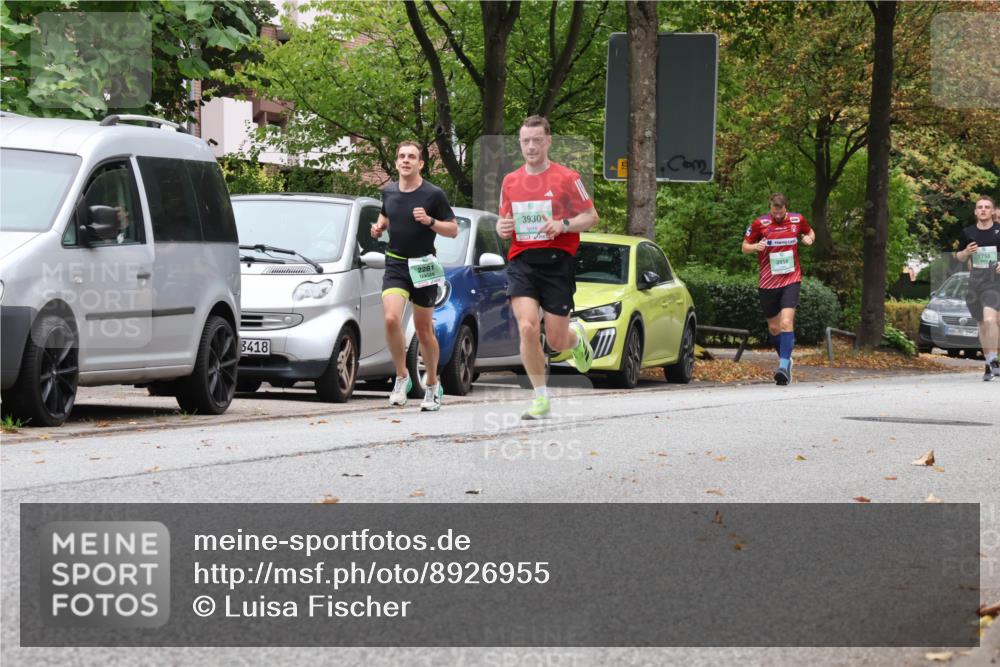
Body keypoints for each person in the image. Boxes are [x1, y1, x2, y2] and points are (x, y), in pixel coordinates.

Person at [496, 115, 599, 419]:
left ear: (548, 141)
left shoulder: (568, 178)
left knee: (556, 340)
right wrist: (502, 227)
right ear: (520, 143)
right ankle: (540, 397)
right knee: (527, 326)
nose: (531, 146)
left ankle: (576, 340)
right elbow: (504, 222)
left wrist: (563, 224)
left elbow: (591, 217)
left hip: (557, 263)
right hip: (522, 261)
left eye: (537, 140)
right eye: (526, 141)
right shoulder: (510, 180)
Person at [370, 141, 458, 410]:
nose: (406, 160)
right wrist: (378, 228)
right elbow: (386, 217)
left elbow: (453, 230)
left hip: (424, 267)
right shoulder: (389, 191)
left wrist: (430, 221)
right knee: (390, 318)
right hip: (396, 264)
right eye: (401, 156)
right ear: (396, 162)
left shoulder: (433, 195)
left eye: (412, 157)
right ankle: (401, 377)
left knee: (423, 329)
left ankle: (432, 384)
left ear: (420, 163)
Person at [742, 193, 815, 385]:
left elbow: (810, 232)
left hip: (791, 280)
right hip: (767, 283)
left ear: (786, 209)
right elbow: (744, 247)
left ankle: (783, 367)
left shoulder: (797, 220)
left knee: (785, 323)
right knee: (774, 328)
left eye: (781, 212)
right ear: (770, 208)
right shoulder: (760, 223)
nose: (778, 215)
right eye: (775, 212)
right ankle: (785, 357)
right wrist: (755, 246)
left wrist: (809, 239)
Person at [954, 195, 1000, 381]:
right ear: (975, 211)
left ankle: (994, 360)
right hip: (976, 282)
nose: (983, 210)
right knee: (982, 323)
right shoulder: (968, 232)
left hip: (995, 281)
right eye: (979, 207)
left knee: (990, 320)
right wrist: (966, 252)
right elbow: (959, 257)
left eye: (987, 207)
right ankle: (989, 364)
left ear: (992, 211)